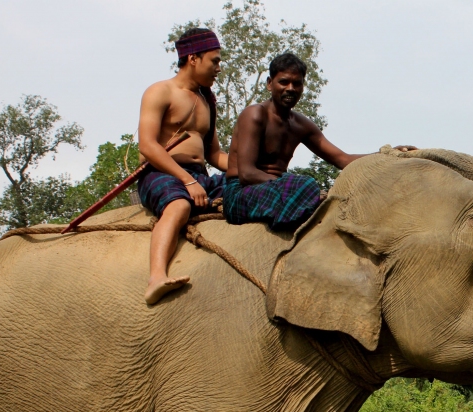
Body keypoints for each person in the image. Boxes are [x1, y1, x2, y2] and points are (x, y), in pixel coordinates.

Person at [224, 52, 413, 232]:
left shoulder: (300, 124)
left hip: (279, 191)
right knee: (306, 186)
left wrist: (388, 155)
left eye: (297, 83)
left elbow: (342, 159)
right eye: (284, 82)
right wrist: (287, 187)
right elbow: (247, 174)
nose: (290, 88)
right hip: (242, 193)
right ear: (269, 84)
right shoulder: (255, 114)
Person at [137, 27, 229, 305]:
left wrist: (248, 169)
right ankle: (156, 277)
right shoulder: (160, 91)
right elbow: (148, 146)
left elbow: (215, 155)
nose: (218, 68)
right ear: (193, 58)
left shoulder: (206, 102)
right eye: (214, 61)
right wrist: (186, 181)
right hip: (161, 173)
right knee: (179, 205)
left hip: (199, 176)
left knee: (246, 184)